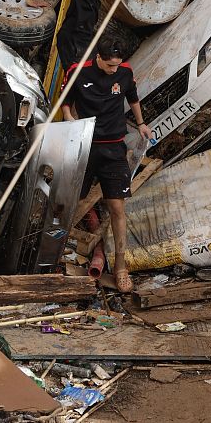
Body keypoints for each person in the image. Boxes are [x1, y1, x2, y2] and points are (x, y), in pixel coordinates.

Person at [62, 34, 151, 293]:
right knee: (69, 202)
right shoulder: (77, 72)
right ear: (98, 58)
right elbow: (66, 102)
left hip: (113, 149)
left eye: (117, 65)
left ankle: (121, 267)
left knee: (116, 208)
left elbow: (133, 98)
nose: (114, 70)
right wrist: (69, 118)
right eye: (109, 65)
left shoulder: (124, 72)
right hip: (85, 147)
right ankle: (55, 255)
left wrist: (142, 123)